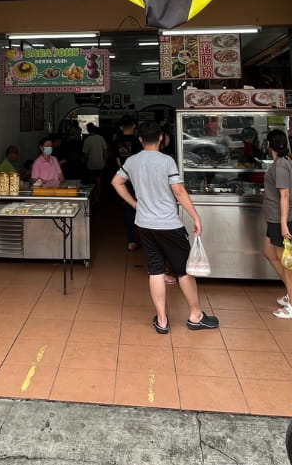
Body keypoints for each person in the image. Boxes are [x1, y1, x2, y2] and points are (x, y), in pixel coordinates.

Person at [112, 119, 219, 334]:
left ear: (140, 139)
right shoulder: (167, 161)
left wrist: (135, 204)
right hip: (169, 224)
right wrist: (195, 216)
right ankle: (195, 315)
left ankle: (161, 320)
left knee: (156, 271)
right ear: (161, 137)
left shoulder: (132, 161)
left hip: (145, 225)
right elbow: (179, 191)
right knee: (183, 271)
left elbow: (116, 182)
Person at [262, 129, 292, 319]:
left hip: (281, 220)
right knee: (269, 253)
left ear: (269, 145)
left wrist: (283, 224)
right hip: (276, 219)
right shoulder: (286, 162)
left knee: (287, 263)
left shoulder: (280, 166)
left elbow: (284, 195)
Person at [113, 116, 143, 250]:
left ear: (120, 128)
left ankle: (131, 241)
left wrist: (123, 173)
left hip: (123, 178)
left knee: (129, 207)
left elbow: (117, 160)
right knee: (143, 207)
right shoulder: (138, 141)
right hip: (138, 178)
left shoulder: (116, 141)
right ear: (134, 126)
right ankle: (144, 239)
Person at [81, 123, 109, 190]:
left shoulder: (87, 140)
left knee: (91, 179)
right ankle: (98, 195)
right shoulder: (101, 138)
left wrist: (83, 161)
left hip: (90, 164)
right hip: (100, 163)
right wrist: (104, 161)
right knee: (98, 179)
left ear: (88, 130)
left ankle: (91, 193)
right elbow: (105, 150)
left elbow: (85, 154)